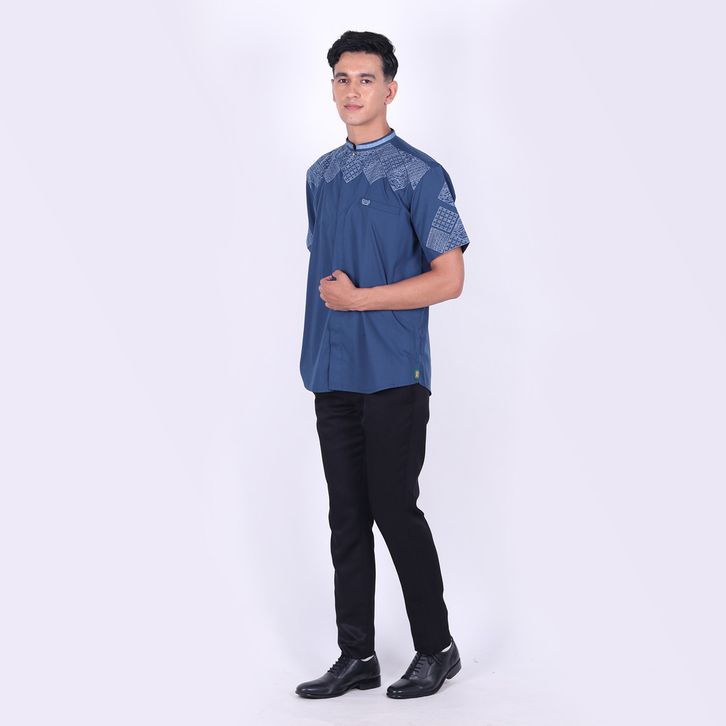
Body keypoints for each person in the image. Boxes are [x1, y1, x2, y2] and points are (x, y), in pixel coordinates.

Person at [295, 30, 470, 700]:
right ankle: (356, 655)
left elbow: (449, 279)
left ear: (390, 89)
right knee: (346, 518)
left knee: (395, 510)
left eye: (366, 79)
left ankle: (437, 649)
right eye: (342, 78)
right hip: (331, 370)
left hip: (394, 372)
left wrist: (361, 300)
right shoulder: (319, 176)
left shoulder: (421, 175)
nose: (352, 90)